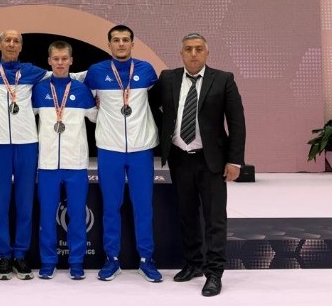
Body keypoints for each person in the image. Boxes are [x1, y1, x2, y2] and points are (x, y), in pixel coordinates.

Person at [157, 32, 245, 297]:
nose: (193, 53)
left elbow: (237, 122)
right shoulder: (168, 78)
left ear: (207, 52)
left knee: (214, 218)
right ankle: (193, 263)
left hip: (211, 160)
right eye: (188, 49)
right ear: (181, 53)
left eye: (198, 49)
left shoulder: (223, 79)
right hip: (179, 157)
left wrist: (235, 160)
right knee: (187, 215)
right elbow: (147, 105)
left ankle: (214, 272)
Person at [82, 25, 162, 282]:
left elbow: (159, 100)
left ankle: (146, 258)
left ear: (132, 44)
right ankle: (111, 258)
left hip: (141, 148)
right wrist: (98, 117)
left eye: (125, 40)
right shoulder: (96, 72)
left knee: (143, 206)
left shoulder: (146, 70)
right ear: (109, 44)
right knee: (111, 206)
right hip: (109, 148)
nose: (121, 44)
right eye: (116, 40)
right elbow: (82, 99)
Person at [0, 29, 47, 280]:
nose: (12, 44)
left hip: (27, 143)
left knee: (25, 203)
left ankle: (21, 255)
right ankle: (4, 255)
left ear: (21, 47)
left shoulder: (32, 71)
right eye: (7, 40)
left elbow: (63, 76)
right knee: (0, 203)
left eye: (16, 41)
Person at [32, 41, 97, 280]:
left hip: (76, 163)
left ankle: (76, 261)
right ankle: (48, 261)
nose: (60, 63)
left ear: (71, 61)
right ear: (49, 61)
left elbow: (96, 118)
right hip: (47, 164)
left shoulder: (81, 90)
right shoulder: (39, 90)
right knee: (47, 215)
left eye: (64, 59)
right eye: (56, 59)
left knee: (77, 215)